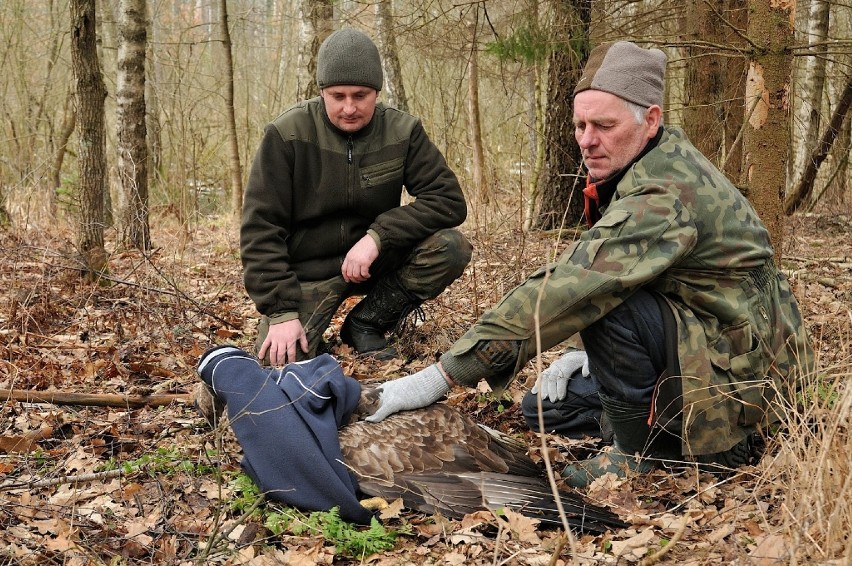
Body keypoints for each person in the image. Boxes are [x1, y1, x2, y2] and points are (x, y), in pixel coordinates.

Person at [363, 41, 815, 487]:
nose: (587, 140)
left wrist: (438, 377)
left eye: (604, 125)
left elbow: (574, 284)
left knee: (605, 305)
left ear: (651, 120)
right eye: (580, 125)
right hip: (709, 344)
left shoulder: (665, 193)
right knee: (544, 408)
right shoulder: (641, 164)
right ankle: (658, 425)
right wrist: (579, 353)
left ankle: (645, 456)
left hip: (742, 381)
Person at [240, 27, 471, 364]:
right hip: (309, 273)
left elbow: (448, 200)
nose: (349, 107)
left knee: (450, 247)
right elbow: (261, 228)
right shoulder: (287, 134)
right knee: (280, 364)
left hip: (376, 262)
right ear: (322, 92)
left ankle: (366, 323)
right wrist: (281, 312)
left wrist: (378, 236)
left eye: (360, 95)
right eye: (338, 96)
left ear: (377, 92)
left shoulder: (403, 131)